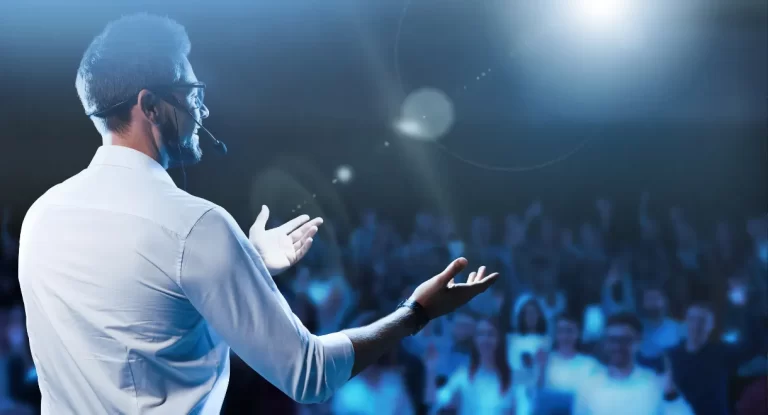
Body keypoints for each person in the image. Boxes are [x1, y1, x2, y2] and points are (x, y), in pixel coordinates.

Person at [17, 14, 499, 414]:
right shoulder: (197, 226)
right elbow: (309, 376)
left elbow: (142, 319)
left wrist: (246, 261)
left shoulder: (39, 216)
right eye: (190, 89)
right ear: (151, 106)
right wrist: (416, 312)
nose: (201, 109)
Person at [572, 312, 694, 415]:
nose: (617, 346)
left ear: (638, 342)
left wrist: (671, 395)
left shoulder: (655, 384)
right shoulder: (588, 386)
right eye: (612, 340)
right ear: (605, 343)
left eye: (624, 340)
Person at [430, 317, 519, 415]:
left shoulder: (513, 378)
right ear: (475, 340)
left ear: (499, 340)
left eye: (490, 334)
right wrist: (430, 369)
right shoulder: (462, 376)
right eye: (481, 334)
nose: (485, 339)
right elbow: (437, 401)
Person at [533, 312, 599, 415]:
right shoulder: (545, 361)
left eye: (569, 331)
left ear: (578, 334)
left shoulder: (590, 365)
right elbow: (536, 398)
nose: (565, 336)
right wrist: (541, 368)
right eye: (560, 331)